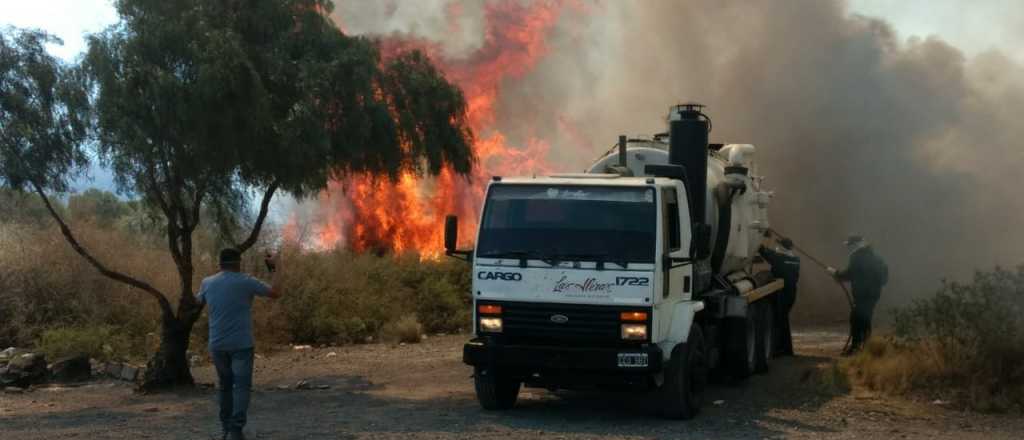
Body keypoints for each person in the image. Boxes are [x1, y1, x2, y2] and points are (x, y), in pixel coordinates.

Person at [197, 248, 282, 440]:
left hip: (217, 344)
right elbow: (276, 292)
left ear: (219, 263)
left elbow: (196, 302)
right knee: (242, 387)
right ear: (238, 262)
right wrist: (277, 267)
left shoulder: (207, 282)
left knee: (225, 386)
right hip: (241, 344)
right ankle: (235, 430)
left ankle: (225, 428)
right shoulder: (246, 281)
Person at [828, 235, 888, 356]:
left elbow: (850, 274)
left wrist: (835, 273)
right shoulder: (877, 257)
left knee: (856, 319)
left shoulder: (856, 257)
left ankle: (856, 348)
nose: (849, 248)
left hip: (862, 295)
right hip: (874, 294)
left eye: (850, 245)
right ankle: (866, 348)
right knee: (865, 318)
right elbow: (884, 278)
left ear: (855, 245)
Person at [759, 236, 800, 357]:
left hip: (782, 293)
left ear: (782, 247)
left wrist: (760, 241)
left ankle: (783, 349)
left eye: (779, 245)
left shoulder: (779, 258)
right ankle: (785, 349)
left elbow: (765, 252)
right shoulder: (796, 260)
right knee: (783, 319)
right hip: (791, 293)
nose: (777, 247)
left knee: (780, 320)